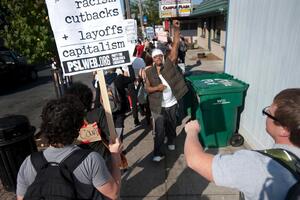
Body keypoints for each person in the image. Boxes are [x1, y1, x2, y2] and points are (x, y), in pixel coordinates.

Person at [184, 88, 300, 200]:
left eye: (268, 113)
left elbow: (194, 160)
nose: (266, 116)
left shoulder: (259, 165)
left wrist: (192, 131)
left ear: (284, 130)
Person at [16, 96, 122, 200]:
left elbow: (21, 198)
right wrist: (115, 156)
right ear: (77, 127)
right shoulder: (91, 160)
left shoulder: (29, 163)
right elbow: (113, 194)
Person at [145, 20, 188, 162]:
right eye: (155, 57)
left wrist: (176, 30)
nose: (158, 58)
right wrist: (157, 88)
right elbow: (147, 88)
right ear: (152, 59)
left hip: (172, 103)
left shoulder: (169, 64)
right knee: (159, 131)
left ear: (162, 57)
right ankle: (157, 153)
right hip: (158, 106)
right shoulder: (149, 72)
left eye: (160, 56)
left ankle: (171, 141)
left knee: (172, 125)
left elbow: (175, 46)